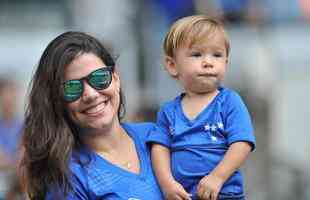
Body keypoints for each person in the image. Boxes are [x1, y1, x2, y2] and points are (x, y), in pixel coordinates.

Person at [20, 31, 163, 200]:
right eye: (72, 87)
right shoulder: (68, 179)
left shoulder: (154, 136)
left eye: (99, 77)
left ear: (116, 78)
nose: (91, 94)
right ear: (57, 100)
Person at [147, 15, 256, 200]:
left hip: (223, 193)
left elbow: (242, 143)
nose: (208, 62)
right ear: (173, 65)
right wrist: (167, 185)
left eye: (217, 55)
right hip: (183, 195)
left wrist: (217, 177)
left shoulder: (230, 101)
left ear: (226, 63)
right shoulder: (168, 111)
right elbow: (160, 149)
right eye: (197, 54)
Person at [0, 77, 23, 200]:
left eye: (12, 95)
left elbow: (24, 161)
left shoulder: (25, 126)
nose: (8, 100)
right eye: (4, 96)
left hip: (17, 186)